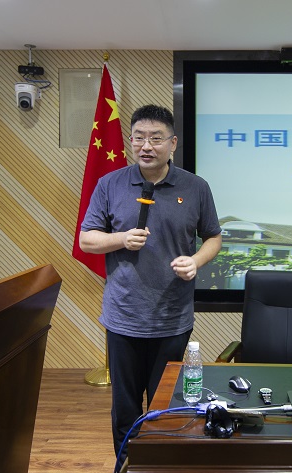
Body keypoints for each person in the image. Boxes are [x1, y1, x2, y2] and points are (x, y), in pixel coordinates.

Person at [79, 104, 222, 469]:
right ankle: (126, 465)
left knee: (166, 407)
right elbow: (86, 240)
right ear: (131, 141)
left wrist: (196, 260)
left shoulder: (195, 187)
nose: (146, 146)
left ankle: (161, 465)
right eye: (139, 138)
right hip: (124, 316)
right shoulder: (110, 184)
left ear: (172, 143)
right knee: (125, 408)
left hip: (172, 317)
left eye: (156, 138)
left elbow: (213, 237)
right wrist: (121, 239)